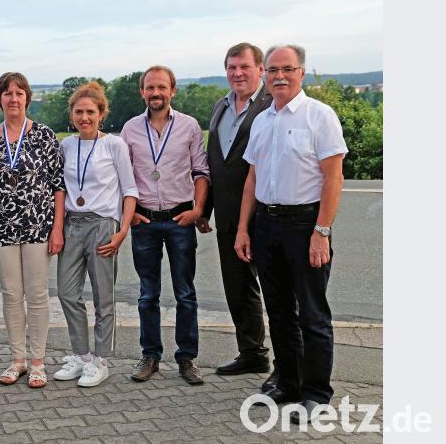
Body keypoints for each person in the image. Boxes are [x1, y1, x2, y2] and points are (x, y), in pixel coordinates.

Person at [234, 45, 347, 423]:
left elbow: (333, 177)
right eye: (273, 70)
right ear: (265, 73)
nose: (279, 76)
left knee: (312, 314)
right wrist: (243, 229)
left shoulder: (320, 116)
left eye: (288, 69)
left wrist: (322, 231)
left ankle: (316, 393)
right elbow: (252, 178)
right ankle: (288, 380)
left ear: (300, 72)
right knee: (279, 311)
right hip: (266, 225)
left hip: (305, 225)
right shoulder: (263, 120)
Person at [0, 72, 65, 389]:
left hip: (39, 226)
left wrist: (58, 229)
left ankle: (38, 361)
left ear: (28, 98)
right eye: (7, 93)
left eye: (19, 92)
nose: (13, 98)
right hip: (1, 229)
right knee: (12, 294)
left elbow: (58, 186)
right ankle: (17, 360)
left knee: (37, 294)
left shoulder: (44, 136)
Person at [121, 65, 210, 385]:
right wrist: (128, 214)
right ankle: (151, 355)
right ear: (142, 92)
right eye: (149, 88)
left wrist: (198, 210)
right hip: (144, 220)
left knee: (185, 293)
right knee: (148, 294)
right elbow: (122, 176)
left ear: (173, 90)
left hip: (179, 219)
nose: (155, 93)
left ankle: (187, 358)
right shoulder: (130, 129)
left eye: (161, 87)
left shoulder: (189, 126)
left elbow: (201, 172)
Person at [197, 43, 278, 388]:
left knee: (277, 292)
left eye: (244, 66)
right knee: (238, 288)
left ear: (260, 69)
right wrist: (206, 208)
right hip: (229, 217)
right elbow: (218, 163)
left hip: (267, 216)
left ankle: (286, 367)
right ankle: (253, 353)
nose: (237, 73)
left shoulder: (273, 105)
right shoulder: (220, 107)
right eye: (231, 67)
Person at [54, 82, 138, 387]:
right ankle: (82, 355)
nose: (84, 117)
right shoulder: (65, 145)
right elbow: (59, 189)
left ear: (101, 113)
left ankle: (101, 359)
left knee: (104, 298)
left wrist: (122, 230)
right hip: (72, 224)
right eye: (79, 111)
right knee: (66, 292)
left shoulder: (114, 145)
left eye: (90, 111)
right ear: (72, 114)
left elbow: (129, 190)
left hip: (103, 225)